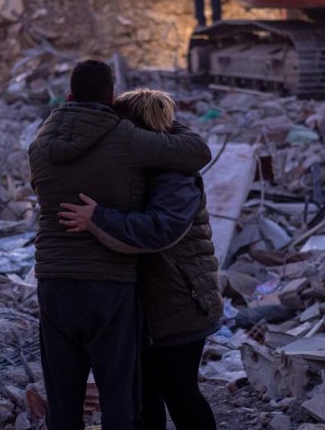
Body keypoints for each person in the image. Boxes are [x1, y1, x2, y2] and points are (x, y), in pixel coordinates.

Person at [29, 61, 212, 430]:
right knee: (124, 398)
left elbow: (162, 225)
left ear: (67, 97)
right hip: (110, 286)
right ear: (110, 100)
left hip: (54, 282)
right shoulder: (127, 143)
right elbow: (198, 151)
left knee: (64, 398)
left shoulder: (39, 143)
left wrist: (98, 217)